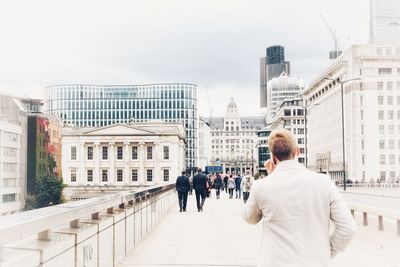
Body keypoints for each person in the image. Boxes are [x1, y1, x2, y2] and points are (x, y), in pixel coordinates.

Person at [243, 129, 357, 266]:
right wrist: (326, 252)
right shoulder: (324, 182)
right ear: (297, 151)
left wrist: (270, 177)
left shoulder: (261, 186)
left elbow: (249, 218)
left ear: (272, 157)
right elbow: (348, 228)